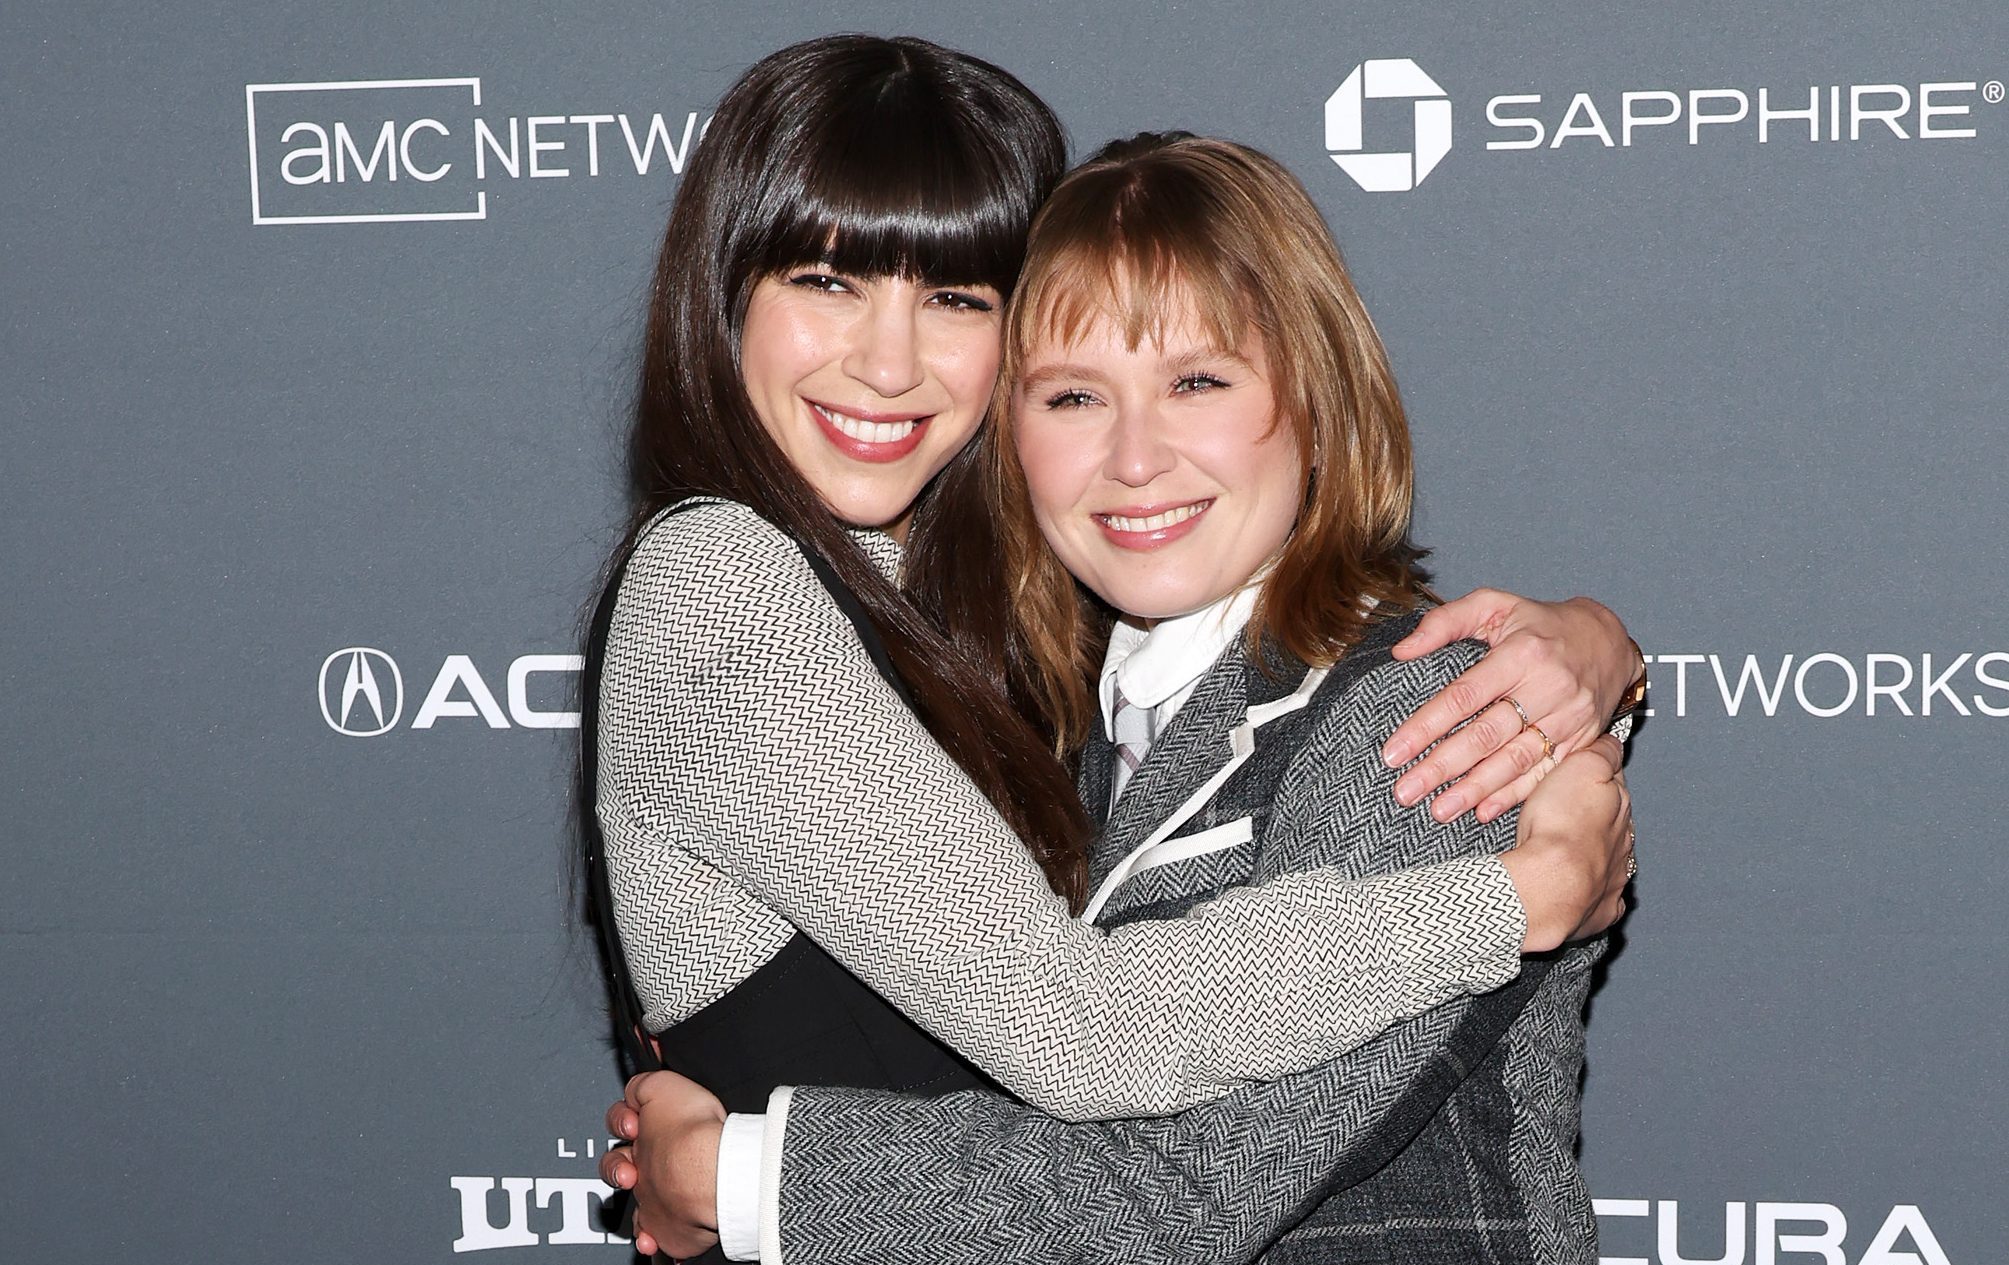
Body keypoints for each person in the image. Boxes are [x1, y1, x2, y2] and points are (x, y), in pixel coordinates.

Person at [587, 35, 1640, 1255]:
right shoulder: (730, 585)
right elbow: (1083, 1038)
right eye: (1075, 394)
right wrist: (1510, 898)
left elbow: (1170, 1185)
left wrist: (1595, 650)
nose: (887, 361)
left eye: (954, 298)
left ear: (1320, 396)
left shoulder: (1435, 711)